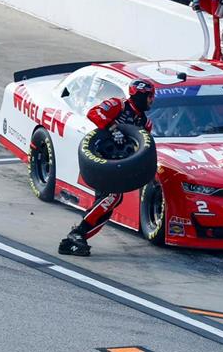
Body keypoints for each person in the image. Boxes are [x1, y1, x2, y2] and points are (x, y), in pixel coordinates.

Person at [58, 80, 156, 256]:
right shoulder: (118, 104)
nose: (152, 100)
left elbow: (142, 149)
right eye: (149, 96)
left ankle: (74, 240)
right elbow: (93, 113)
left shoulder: (146, 123)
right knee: (113, 196)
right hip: (100, 158)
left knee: (111, 205)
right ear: (139, 95)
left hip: (119, 166)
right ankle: (77, 233)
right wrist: (112, 127)